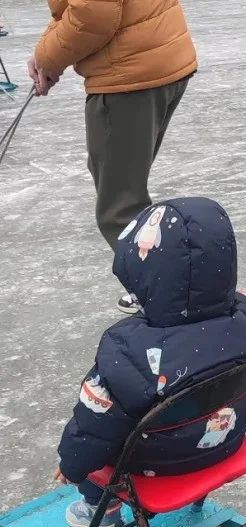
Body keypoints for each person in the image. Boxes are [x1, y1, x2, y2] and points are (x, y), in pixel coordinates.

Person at [54, 198, 246, 527]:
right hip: (225, 440)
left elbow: (92, 425)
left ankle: (102, 510)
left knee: (101, 438)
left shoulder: (128, 351)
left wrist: (72, 467)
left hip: (156, 464)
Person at [29, 0, 198, 312]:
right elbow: (73, 9)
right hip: (154, 59)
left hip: (129, 75)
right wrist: (45, 54)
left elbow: (94, 13)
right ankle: (169, 289)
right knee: (121, 190)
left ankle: (167, 298)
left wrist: (49, 59)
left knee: (119, 206)